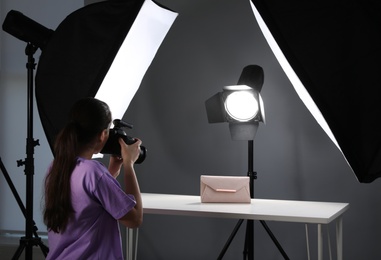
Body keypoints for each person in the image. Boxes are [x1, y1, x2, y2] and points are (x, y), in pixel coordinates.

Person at [43, 97, 143, 259]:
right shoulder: (94, 171)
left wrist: (112, 172)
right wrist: (129, 165)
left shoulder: (57, 166)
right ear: (103, 134)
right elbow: (135, 219)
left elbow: (86, 200)